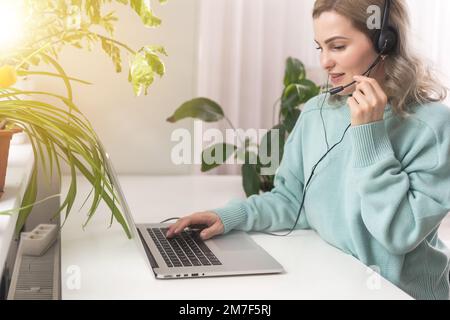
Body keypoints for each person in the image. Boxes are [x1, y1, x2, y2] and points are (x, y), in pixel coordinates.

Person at [166, 0, 450, 300]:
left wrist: (369, 133)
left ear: (385, 43)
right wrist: (228, 216)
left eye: (337, 46)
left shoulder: (432, 126)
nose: (325, 61)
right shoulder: (316, 112)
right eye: (320, 47)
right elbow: (291, 200)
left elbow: (398, 233)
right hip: (331, 279)